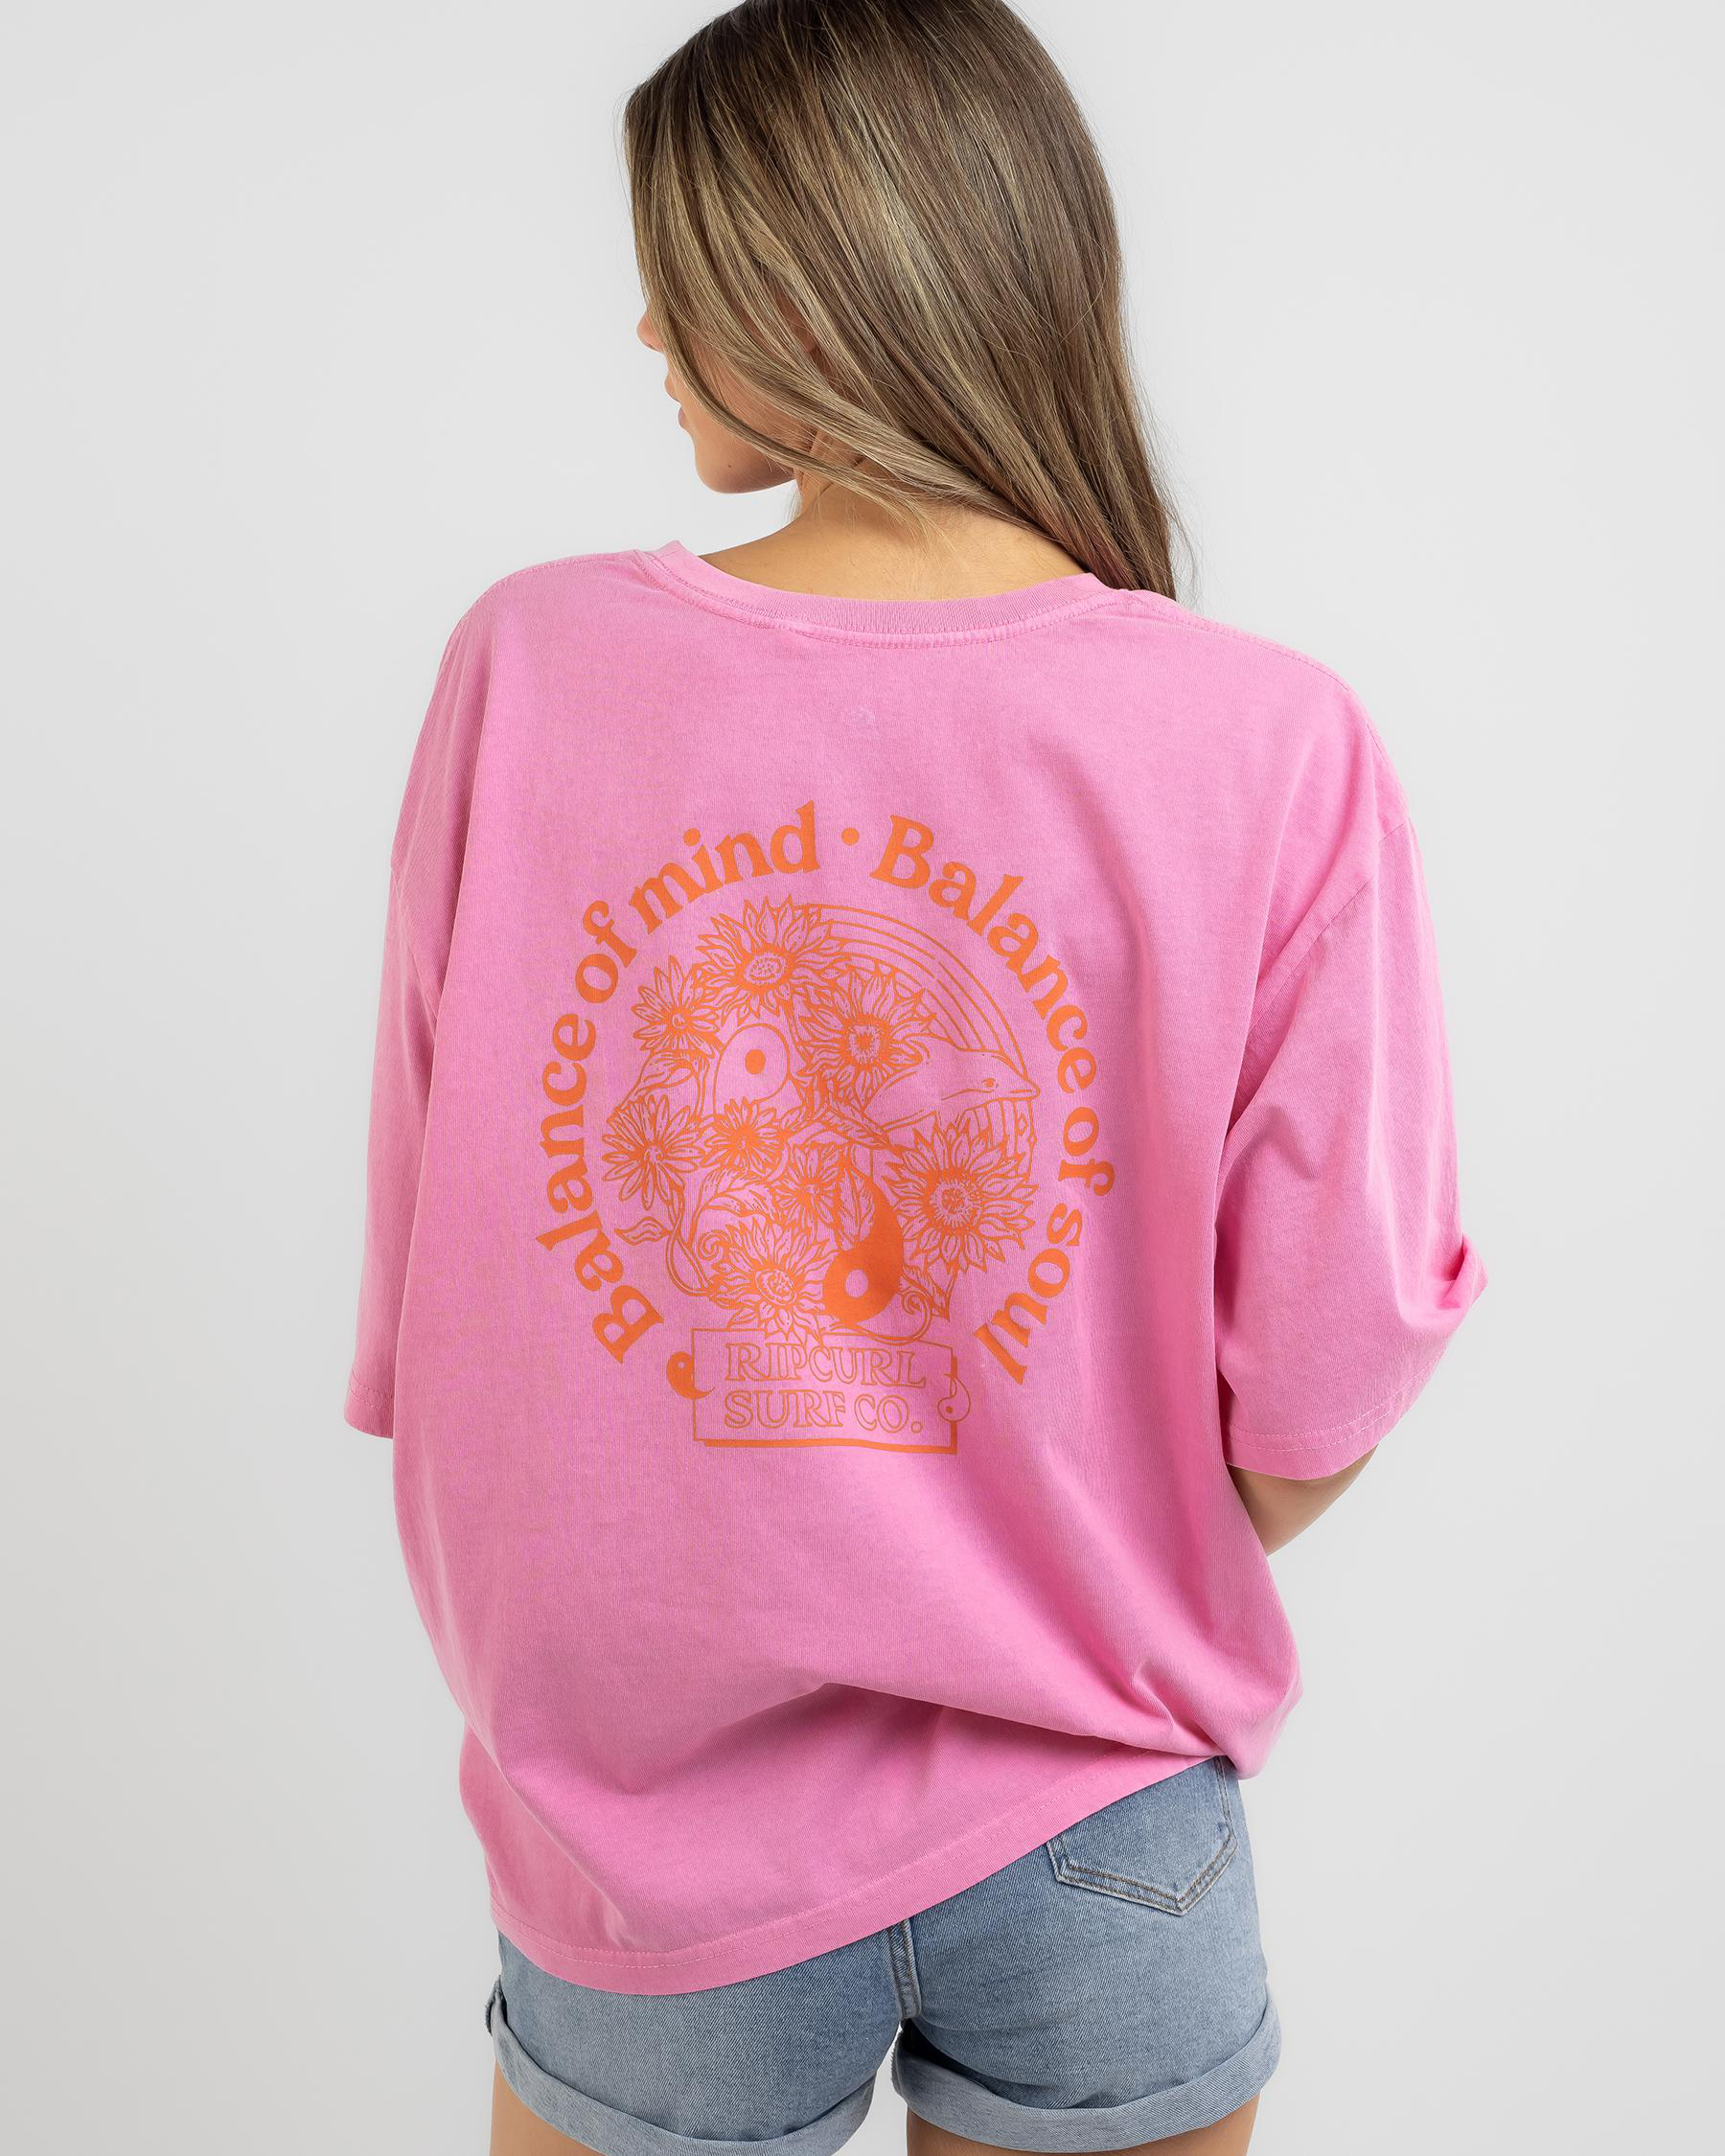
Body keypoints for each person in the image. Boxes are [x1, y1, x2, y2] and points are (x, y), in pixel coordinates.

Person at [345, 3, 1484, 2150]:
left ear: (809, 286)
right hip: (1104, 1817)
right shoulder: (1267, 737)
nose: (646, 327)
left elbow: (445, 1291)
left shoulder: (532, 666)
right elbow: (1327, 1380)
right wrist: (1046, 1518)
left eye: (679, 271)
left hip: (649, 1847)